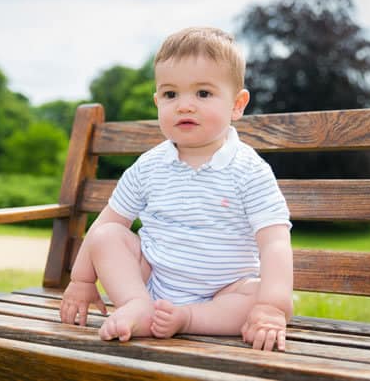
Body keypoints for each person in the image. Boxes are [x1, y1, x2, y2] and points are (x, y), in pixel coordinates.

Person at [60, 26, 293, 351]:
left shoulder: (248, 170)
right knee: (107, 236)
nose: (184, 106)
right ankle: (136, 305)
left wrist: (271, 307)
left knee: (255, 295)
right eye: (171, 95)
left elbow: (275, 244)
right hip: (151, 281)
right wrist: (82, 280)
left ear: (237, 104)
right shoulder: (149, 166)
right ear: (157, 101)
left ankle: (188, 318)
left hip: (222, 293)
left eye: (203, 93)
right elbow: (108, 222)